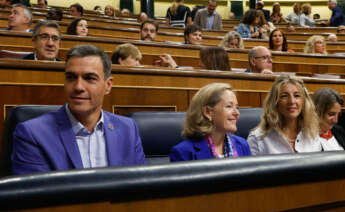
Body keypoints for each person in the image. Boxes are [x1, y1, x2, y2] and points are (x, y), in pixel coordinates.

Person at [12, 45, 146, 175]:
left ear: (108, 86)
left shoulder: (128, 129)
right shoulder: (32, 134)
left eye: (89, 78)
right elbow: (36, 195)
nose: (78, 87)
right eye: (71, 77)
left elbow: (141, 187)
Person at [170, 83, 251, 161]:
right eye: (229, 106)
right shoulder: (184, 152)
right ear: (208, 112)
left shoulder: (242, 145)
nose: (237, 113)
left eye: (237, 107)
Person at [247, 75, 321, 155]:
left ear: (303, 102)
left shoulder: (312, 134)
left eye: (297, 96)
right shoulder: (257, 138)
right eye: (284, 96)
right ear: (275, 102)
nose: (292, 101)